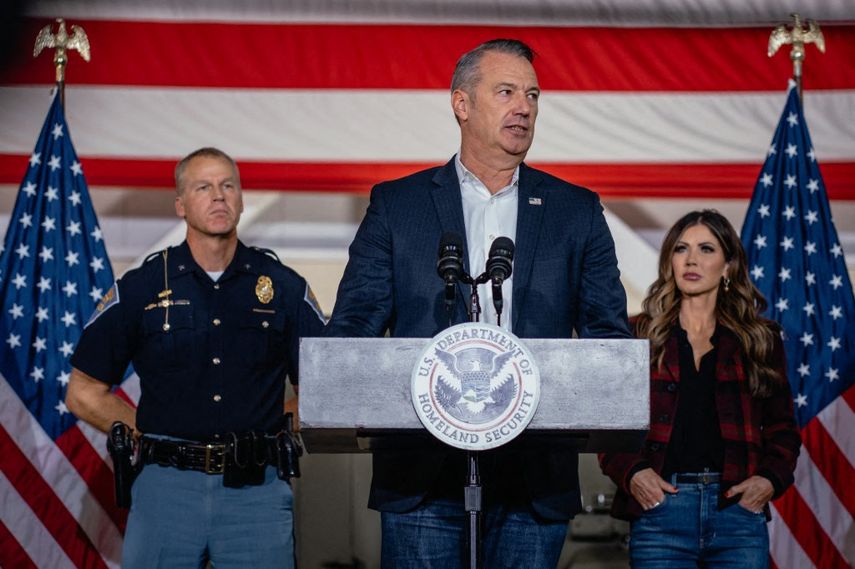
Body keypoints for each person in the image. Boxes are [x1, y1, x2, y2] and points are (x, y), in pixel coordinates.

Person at [325, 39, 631, 568]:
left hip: (534, 480)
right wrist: (324, 376)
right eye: (507, 91)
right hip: (422, 477)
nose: (525, 107)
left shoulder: (575, 211)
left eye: (533, 95)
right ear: (461, 104)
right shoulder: (398, 205)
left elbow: (608, 337)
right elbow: (355, 324)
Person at [66, 147, 326, 569]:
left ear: (241, 200)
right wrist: (142, 430)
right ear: (181, 205)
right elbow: (83, 391)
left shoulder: (283, 287)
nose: (218, 196)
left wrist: (272, 426)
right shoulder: (141, 287)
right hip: (165, 490)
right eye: (203, 187)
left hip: (255, 491)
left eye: (228, 186)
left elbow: (325, 388)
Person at [598, 210, 801, 568]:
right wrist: (633, 474)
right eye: (681, 249)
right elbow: (607, 424)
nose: (691, 259)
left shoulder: (759, 338)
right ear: (670, 261)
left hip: (737, 514)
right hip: (660, 513)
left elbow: (784, 429)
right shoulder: (637, 333)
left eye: (706, 249)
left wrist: (768, 480)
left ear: (728, 266)